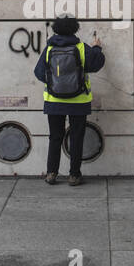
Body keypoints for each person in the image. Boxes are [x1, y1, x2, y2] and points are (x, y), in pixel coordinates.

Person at [32, 14, 105, 186]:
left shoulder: (49, 49)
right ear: (75, 29)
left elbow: (38, 72)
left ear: (55, 29)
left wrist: (55, 83)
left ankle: (51, 173)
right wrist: (97, 48)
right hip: (78, 101)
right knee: (77, 137)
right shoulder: (81, 47)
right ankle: (74, 175)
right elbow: (96, 64)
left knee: (55, 137)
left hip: (54, 101)